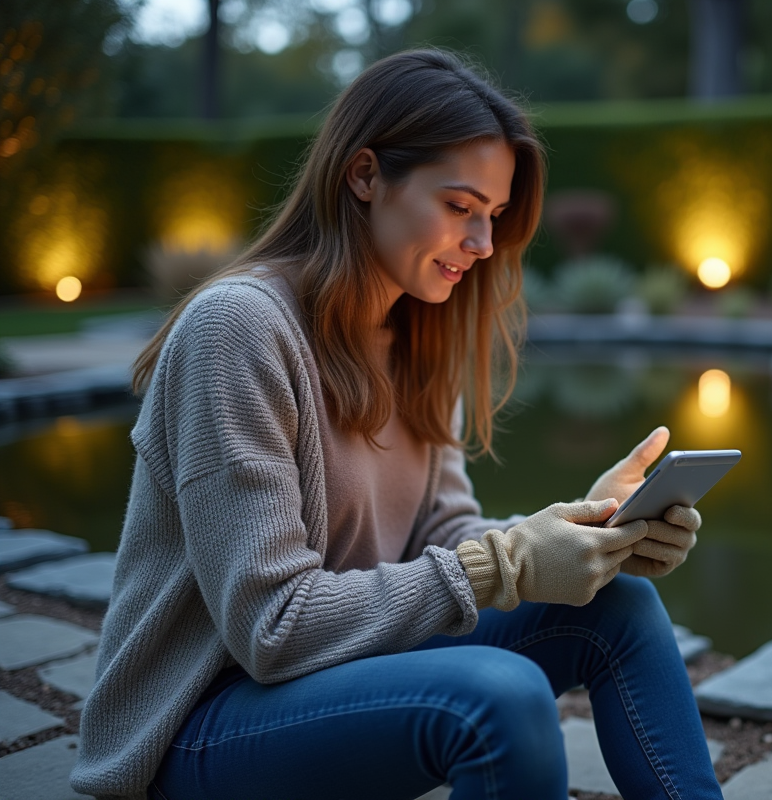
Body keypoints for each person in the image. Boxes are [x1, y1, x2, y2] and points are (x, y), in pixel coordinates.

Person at [71, 49, 723, 800]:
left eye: (495, 217)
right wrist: (509, 563)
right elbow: (271, 629)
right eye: (459, 206)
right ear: (365, 175)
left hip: (340, 677)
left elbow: (443, 537)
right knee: (498, 697)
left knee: (618, 604)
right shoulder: (238, 329)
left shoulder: (416, 333)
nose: (482, 246)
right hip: (198, 725)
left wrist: (586, 533)